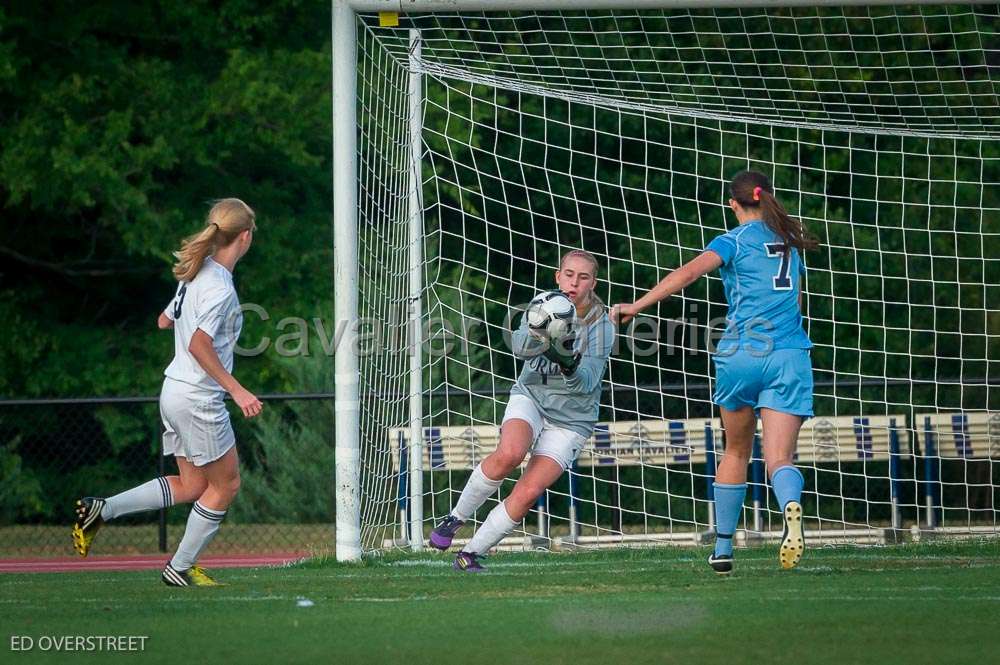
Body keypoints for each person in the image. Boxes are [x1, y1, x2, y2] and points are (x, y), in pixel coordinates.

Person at [612, 171, 818, 574]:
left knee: (737, 450)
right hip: (789, 354)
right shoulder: (792, 245)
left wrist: (636, 306)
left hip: (742, 354)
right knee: (779, 458)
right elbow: (792, 298)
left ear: (733, 204)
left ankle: (723, 548)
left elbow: (687, 274)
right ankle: (789, 505)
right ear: (769, 199)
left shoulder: (732, 241)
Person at [71, 198, 263, 587]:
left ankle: (101, 509)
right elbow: (198, 344)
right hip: (197, 398)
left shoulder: (195, 270)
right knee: (226, 486)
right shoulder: (220, 286)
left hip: (173, 391)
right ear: (244, 237)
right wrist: (238, 389)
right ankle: (179, 567)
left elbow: (164, 320)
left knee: (193, 486)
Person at [429, 250, 615, 572]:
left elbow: (586, 384)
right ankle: (455, 518)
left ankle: (471, 553)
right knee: (510, 454)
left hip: (572, 420)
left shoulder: (602, 327)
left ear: (593, 283)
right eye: (568, 274)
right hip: (531, 397)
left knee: (529, 491)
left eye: (583, 277)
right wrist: (540, 335)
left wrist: (568, 361)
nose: (574, 282)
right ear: (558, 277)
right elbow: (517, 348)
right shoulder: (542, 306)